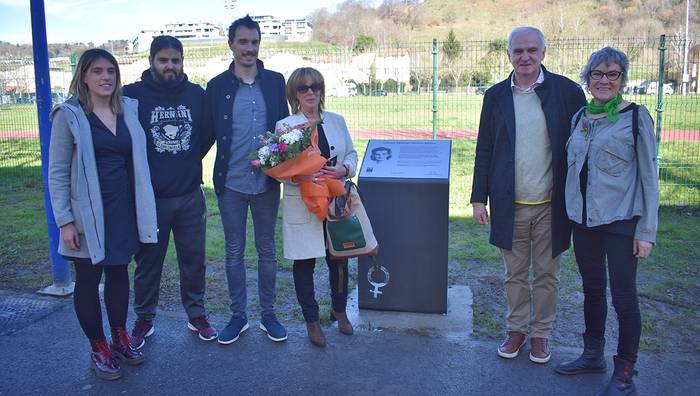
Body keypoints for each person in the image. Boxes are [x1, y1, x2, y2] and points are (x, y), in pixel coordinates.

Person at [470, 26, 586, 363]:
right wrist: (479, 198)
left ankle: (541, 334)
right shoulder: (495, 97)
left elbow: (581, 148)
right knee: (515, 275)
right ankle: (517, 329)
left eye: (531, 50)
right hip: (511, 204)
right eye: (518, 51)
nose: (525, 57)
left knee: (548, 275)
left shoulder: (567, 92)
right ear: (508, 55)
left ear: (543, 53)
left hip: (553, 206)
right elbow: (484, 150)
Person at [555, 47, 659, 396]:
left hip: (621, 222)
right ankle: (592, 355)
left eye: (612, 74)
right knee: (592, 290)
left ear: (622, 80)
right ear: (587, 78)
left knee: (624, 298)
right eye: (597, 74)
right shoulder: (581, 117)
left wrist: (646, 231)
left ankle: (625, 372)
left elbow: (649, 178)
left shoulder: (635, 118)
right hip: (584, 223)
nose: (603, 80)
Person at [48, 49, 157, 380]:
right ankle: (99, 345)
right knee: (88, 278)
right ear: (84, 76)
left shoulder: (127, 111)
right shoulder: (69, 115)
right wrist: (65, 221)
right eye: (97, 71)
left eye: (111, 70)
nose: (106, 76)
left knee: (119, 274)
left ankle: (120, 335)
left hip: (123, 210)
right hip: (86, 214)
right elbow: (57, 172)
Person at [122, 36, 216, 349]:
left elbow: (206, 135)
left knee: (193, 260)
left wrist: (187, 160)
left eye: (175, 60)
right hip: (151, 199)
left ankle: (197, 314)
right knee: (149, 262)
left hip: (189, 195)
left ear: (182, 61)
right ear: (151, 61)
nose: (170, 66)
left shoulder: (196, 95)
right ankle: (145, 318)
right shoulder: (132, 95)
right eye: (163, 60)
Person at [202, 15, 290, 344]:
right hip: (231, 184)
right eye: (242, 42)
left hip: (267, 183)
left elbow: (286, 129)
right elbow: (206, 134)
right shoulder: (217, 86)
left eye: (254, 42)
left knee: (267, 250)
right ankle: (239, 316)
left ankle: (268, 314)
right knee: (234, 251)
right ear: (231, 44)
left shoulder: (275, 82)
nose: (249, 48)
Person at [275, 67, 358, 347]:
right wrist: (300, 175)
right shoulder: (285, 126)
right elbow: (281, 167)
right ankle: (312, 321)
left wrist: (345, 168)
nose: (310, 92)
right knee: (304, 262)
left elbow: (351, 153)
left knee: (340, 258)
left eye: (316, 86)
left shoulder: (336, 120)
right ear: (294, 94)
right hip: (303, 204)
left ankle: (339, 310)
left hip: (335, 200)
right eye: (303, 87)